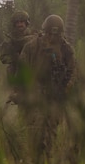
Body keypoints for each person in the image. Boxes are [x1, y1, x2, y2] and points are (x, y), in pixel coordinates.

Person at [17, 14, 75, 151]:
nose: (52, 38)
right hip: (34, 94)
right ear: (44, 32)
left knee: (50, 132)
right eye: (49, 34)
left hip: (55, 96)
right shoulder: (31, 47)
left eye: (56, 35)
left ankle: (46, 158)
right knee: (34, 131)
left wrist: (66, 88)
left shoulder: (66, 49)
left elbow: (72, 71)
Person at [0, 10, 38, 103]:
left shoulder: (34, 34)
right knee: (10, 68)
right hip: (19, 70)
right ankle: (16, 91)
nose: (20, 24)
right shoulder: (10, 39)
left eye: (22, 22)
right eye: (17, 22)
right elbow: (3, 57)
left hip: (34, 67)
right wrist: (15, 57)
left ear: (26, 22)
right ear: (14, 24)